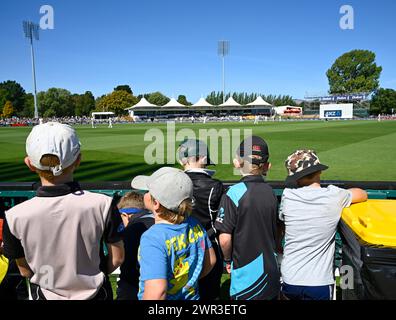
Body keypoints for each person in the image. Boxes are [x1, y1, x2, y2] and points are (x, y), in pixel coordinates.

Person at [2, 122, 124, 300]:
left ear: (29, 164)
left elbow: (24, 269)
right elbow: (117, 258)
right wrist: (92, 276)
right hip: (97, 294)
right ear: (78, 160)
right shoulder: (104, 204)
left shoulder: (14, 216)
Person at [279, 149, 368, 300]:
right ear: (318, 171)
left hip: (289, 278)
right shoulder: (334, 195)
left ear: (296, 178)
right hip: (319, 282)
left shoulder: (288, 195)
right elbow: (362, 194)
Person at [131, 167, 216, 300]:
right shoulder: (194, 224)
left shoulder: (153, 238)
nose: (145, 194)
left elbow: (157, 293)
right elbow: (210, 260)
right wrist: (188, 282)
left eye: (148, 192)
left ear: (156, 204)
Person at [215, 136, 281, 300]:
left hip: (245, 276)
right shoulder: (271, 193)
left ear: (237, 162)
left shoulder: (234, 193)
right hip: (271, 271)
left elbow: (224, 238)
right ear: (267, 166)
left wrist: (227, 260)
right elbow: (279, 230)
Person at [177, 139, 224, 300]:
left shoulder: (174, 183)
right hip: (209, 249)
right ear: (203, 158)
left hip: (179, 247)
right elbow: (221, 222)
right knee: (210, 295)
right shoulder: (215, 186)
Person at [116, 192, 154, 300]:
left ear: (125, 215)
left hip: (137, 289)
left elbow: (128, 271)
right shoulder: (160, 223)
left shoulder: (131, 230)